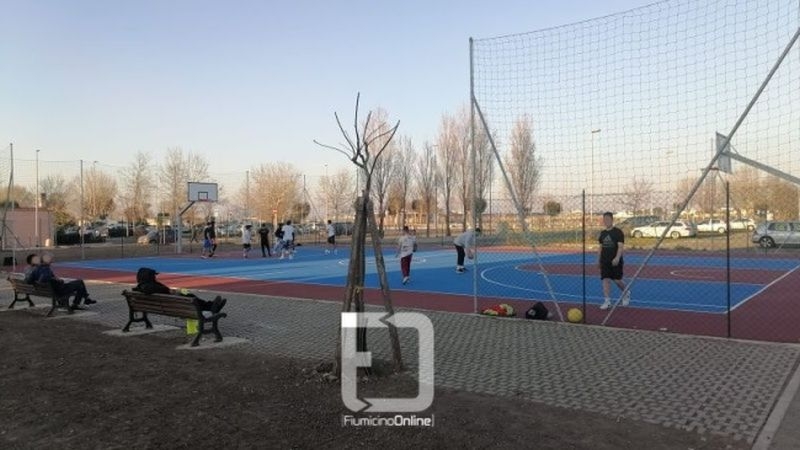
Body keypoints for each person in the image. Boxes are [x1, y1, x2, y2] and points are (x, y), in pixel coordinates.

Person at [133, 267, 226, 314]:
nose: (155, 277)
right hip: (175, 305)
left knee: (188, 296)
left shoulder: (140, 287)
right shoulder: (148, 286)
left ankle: (211, 305)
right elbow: (157, 289)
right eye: (153, 276)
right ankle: (211, 307)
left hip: (166, 306)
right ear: (149, 277)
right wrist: (170, 291)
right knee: (190, 297)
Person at [598, 212, 630, 310]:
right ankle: (607, 301)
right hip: (605, 261)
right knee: (605, 279)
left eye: (608, 219)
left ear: (612, 220)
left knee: (617, 280)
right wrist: (598, 260)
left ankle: (626, 292)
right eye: (604, 219)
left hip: (615, 261)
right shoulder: (603, 233)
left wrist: (617, 258)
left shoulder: (618, 232)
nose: (606, 221)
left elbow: (620, 247)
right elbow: (600, 247)